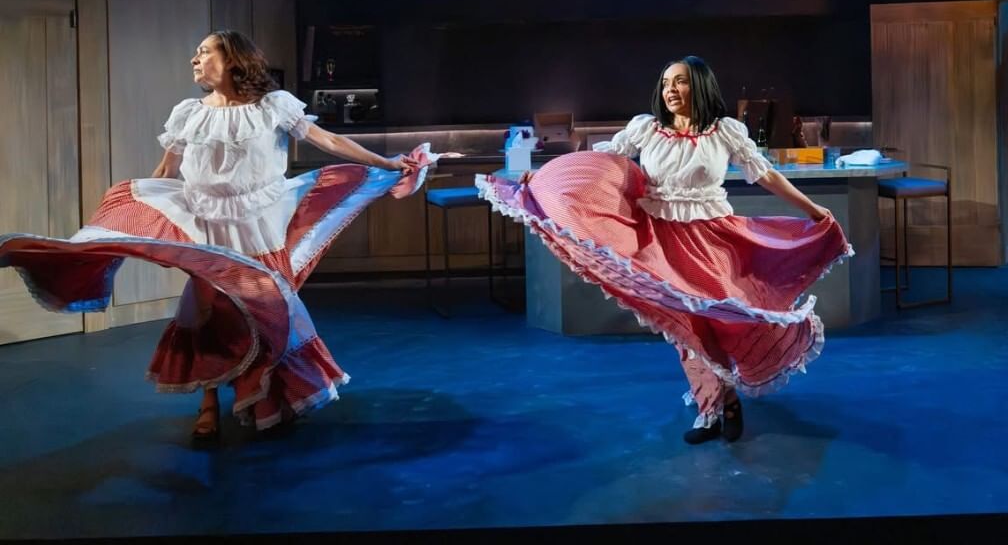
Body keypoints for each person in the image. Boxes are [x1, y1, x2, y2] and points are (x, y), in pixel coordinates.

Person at [1, 31, 452, 439]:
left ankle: (270, 394)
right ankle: (208, 402)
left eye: (204, 52)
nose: (195, 59)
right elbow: (168, 171)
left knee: (267, 308)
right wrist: (144, 211)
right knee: (206, 308)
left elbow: (329, 142)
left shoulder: (273, 106)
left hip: (262, 220)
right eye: (195, 53)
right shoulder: (187, 114)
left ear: (233, 59)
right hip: (206, 223)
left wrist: (388, 164)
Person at [478, 55, 850, 443]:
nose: (671, 90)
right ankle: (713, 408)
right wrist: (544, 175)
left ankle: (727, 399)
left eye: (681, 82)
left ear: (700, 86)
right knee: (688, 326)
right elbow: (600, 160)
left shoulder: (725, 131)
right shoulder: (646, 129)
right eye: (666, 83)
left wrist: (811, 209)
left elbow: (766, 174)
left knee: (722, 319)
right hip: (659, 240)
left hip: (710, 239)